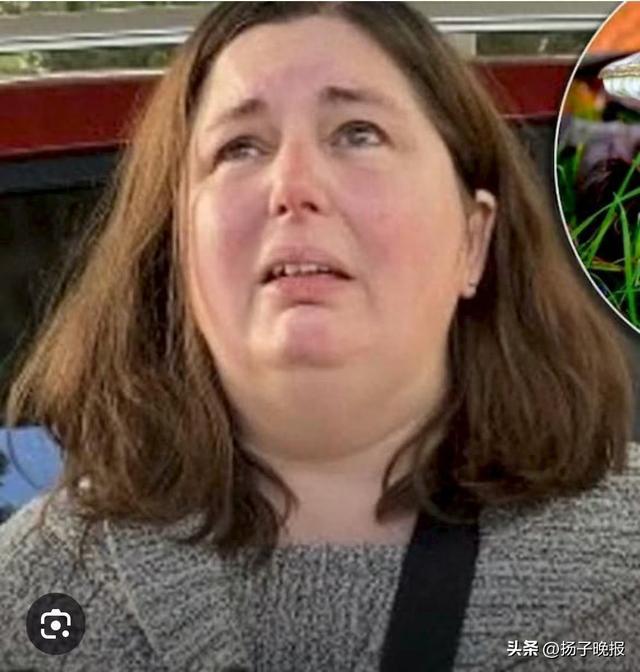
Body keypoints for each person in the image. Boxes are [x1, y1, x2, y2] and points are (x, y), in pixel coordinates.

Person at [0, 2, 638, 671]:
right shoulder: (36, 595)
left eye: (358, 134)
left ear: (473, 239)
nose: (293, 186)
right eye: (240, 147)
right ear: (177, 245)